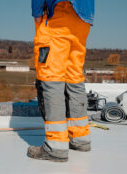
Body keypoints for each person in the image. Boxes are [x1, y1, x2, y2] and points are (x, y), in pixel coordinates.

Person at [28, 0, 94, 162]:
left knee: (51, 77)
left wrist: (37, 12)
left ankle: (55, 145)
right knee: (74, 76)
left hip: (58, 13)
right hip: (82, 18)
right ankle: (80, 137)